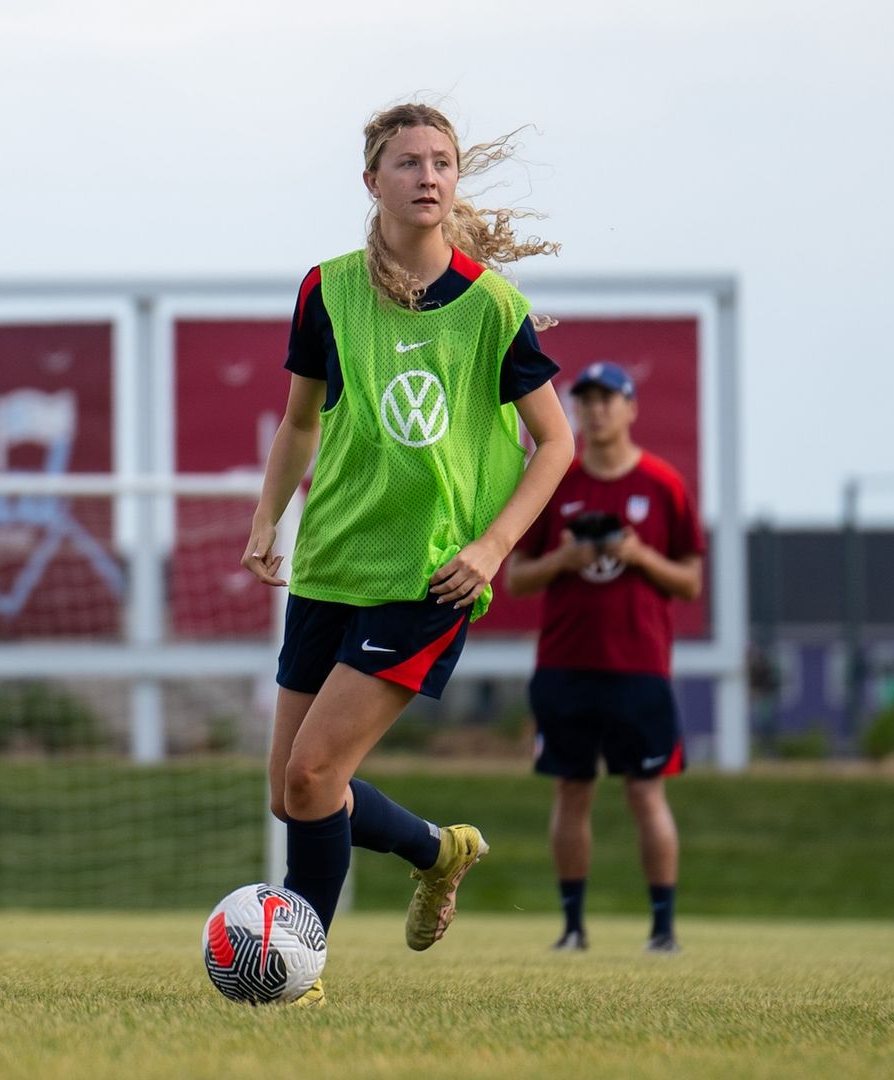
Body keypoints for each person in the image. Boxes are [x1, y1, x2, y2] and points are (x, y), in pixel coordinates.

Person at [241, 102, 574, 1005]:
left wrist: (494, 546)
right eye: (408, 162)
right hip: (331, 566)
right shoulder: (327, 289)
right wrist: (269, 518)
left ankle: (293, 972)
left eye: (442, 162)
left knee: (315, 776)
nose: (428, 175)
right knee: (291, 791)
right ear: (371, 181)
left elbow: (556, 444)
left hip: (428, 578)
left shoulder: (492, 305)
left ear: (455, 182)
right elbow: (301, 419)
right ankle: (437, 849)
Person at [504, 360, 704, 954]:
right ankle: (572, 927)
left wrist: (639, 555)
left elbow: (691, 581)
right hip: (566, 664)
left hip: (640, 667)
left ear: (630, 407)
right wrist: (563, 561)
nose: (595, 411)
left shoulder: (663, 483)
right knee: (572, 790)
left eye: (607, 400)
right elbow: (517, 576)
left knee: (646, 792)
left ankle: (663, 929)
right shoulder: (557, 479)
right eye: (585, 401)